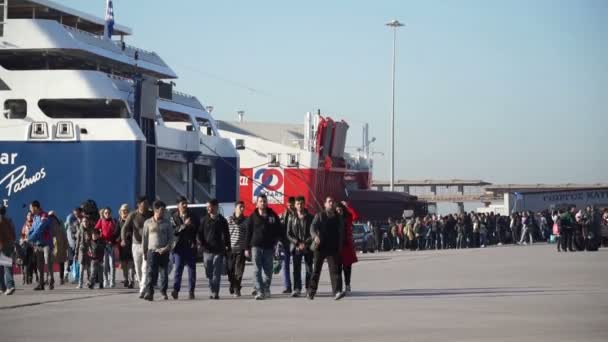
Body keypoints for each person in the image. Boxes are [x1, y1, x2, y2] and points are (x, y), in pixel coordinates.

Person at [308, 196, 345, 301]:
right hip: (320, 247)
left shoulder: (338, 216)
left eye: (333, 202)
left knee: (335, 271)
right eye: (329, 202)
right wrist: (315, 236)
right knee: (316, 270)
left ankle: (337, 292)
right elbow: (312, 227)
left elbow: (342, 230)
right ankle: (311, 291)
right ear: (325, 204)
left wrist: (341, 244)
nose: (331, 203)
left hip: (333, 248)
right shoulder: (320, 215)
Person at [246, 194, 281, 300]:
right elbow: (248, 233)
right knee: (257, 270)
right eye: (260, 201)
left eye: (264, 201)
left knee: (268, 270)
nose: (263, 203)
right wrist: (246, 248)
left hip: (269, 247)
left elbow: (278, 229)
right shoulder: (252, 217)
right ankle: (260, 291)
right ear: (257, 203)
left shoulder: (273, 215)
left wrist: (277, 242)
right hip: (256, 246)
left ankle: (266, 288)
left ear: (267, 202)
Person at [198, 198, 230, 300]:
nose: (208, 209)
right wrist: (201, 244)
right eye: (207, 207)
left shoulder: (222, 220)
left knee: (216, 272)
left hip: (218, 250)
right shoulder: (204, 220)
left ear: (215, 207)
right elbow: (199, 234)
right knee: (209, 272)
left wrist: (227, 246)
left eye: (210, 207)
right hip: (207, 250)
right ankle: (212, 288)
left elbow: (226, 235)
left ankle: (215, 292)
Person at [142, 201, 173, 301]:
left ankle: (163, 292)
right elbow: (145, 239)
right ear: (155, 210)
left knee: (164, 273)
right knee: (150, 272)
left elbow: (171, 238)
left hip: (164, 251)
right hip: (152, 251)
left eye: (164, 210)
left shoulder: (167, 223)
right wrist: (144, 252)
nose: (163, 212)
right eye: (161, 210)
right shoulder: (147, 223)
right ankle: (149, 293)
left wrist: (166, 248)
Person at [121, 197, 152, 299]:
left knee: (145, 268)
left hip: (148, 245)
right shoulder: (133, 215)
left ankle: (143, 289)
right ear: (139, 204)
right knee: (138, 268)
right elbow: (125, 227)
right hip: (136, 244)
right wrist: (123, 239)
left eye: (147, 204)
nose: (146, 206)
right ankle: (142, 286)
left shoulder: (150, 214)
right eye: (144, 204)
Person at [170, 196, 198, 300]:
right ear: (178, 205)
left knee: (191, 270)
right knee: (178, 269)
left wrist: (196, 242)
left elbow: (197, 229)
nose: (185, 205)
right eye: (183, 204)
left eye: (186, 203)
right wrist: (184, 226)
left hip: (190, 246)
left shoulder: (193, 216)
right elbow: (173, 231)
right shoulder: (173, 216)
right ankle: (175, 290)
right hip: (178, 247)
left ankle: (191, 291)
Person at [286, 196, 314, 297]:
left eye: (301, 203)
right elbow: (288, 233)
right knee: (296, 268)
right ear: (295, 205)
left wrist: (305, 244)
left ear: (304, 204)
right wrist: (297, 243)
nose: (300, 206)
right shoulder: (291, 217)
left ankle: (308, 288)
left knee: (309, 268)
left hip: (308, 246)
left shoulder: (311, 217)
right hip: (296, 247)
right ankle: (297, 288)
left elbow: (313, 233)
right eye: (298, 204)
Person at [27, 201, 54, 291]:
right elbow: (32, 229)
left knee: (48, 264)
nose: (30, 209)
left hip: (46, 245)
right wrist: (28, 236)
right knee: (39, 266)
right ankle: (41, 284)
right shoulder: (35, 218)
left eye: (31, 208)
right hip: (38, 245)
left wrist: (30, 238)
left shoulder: (44, 216)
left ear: (35, 207)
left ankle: (50, 282)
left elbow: (40, 229)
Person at [227, 201, 247, 297]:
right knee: (230, 270)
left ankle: (237, 288)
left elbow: (248, 235)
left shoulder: (246, 221)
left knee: (239, 271)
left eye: (243, 207)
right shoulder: (229, 220)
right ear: (235, 208)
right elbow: (225, 234)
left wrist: (248, 247)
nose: (242, 209)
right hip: (231, 249)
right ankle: (232, 284)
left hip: (241, 249)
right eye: (240, 207)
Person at [337, 201, 358, 294]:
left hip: (347, 246)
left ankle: (347, 285)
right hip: (337, 246)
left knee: (347, 268)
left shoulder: (348, 217)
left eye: (340, 209)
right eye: (337, 209)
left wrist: (347, 206)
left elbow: (355, 216)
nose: (339, 211)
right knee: (337, 268)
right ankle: (339, 287)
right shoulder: (333, 218)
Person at [95, 208, 118, 288]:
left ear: (111, 213)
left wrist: (114, 242)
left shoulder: (114, 221)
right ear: (103, 214)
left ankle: (112, 281)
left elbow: (116, 232)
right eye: (106, 213)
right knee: (105, 264)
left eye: (108, 213)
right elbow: (95, 230)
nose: (107, 214)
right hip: (103, 245)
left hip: (111, 245)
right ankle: (105, 280)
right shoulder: (101, 221)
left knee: (112, 264)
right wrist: (99, 237)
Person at [279, 197, 295, 294]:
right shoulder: (283, 214)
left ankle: (298, 286)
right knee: (285, 266)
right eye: (288, 205)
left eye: (291, 205)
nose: (289, 207)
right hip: (285, 243)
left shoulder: (297, 214)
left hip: (295, 242)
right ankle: (287, 286)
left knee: (297, 266)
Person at [117, 204, 135, 288]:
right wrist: (115, 239)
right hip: (122, 247)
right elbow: (116, 233)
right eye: (123, 211)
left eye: (126, 211)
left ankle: (131, 281)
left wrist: (130, 234)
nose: (124, 212)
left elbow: (136, 231)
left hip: (131, 245)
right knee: (124, 266)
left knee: (131, 264)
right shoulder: (119, 222)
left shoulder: (132, 221)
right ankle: (126, 280)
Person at [0, 205, 16, 295]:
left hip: (2, 245)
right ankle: (3, 287)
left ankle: (9, 286)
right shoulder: (8, 220)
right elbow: (13, 232)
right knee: (6, 266)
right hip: (9, 245)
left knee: (4, 267)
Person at [49, 212, 69, 285]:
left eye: (52, 216)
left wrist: (66, 244)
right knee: (51, 262)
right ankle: (51, 278)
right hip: (53, 244)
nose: (51, 218)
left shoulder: (59, 222)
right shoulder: (48, 222)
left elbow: (64, 232)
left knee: (61, 262)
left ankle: (61, 278)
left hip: (60, 243)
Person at [75, 215, 94, 289]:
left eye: (86, 221)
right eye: (84, 221)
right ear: (82, 223)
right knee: (82, 267)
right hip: (82, 250)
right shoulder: (80, 231)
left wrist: (92, 249)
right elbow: (77, 242)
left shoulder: (91, 230)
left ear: (89, 222)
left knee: (89, 268)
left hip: (89, 250)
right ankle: (80, 283)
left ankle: (89, 282)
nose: (85, 223)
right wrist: (76, 253)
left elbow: (93, 241)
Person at [65, 208, 82, 283]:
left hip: (75, 243)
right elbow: (74, 234)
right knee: (73, 260)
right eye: (75, 213)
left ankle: (71, 275)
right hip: (73, 243)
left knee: (73, 261)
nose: (76, 215)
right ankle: (71, 275)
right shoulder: (73, 221)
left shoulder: (80, 220)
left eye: (77, 213)